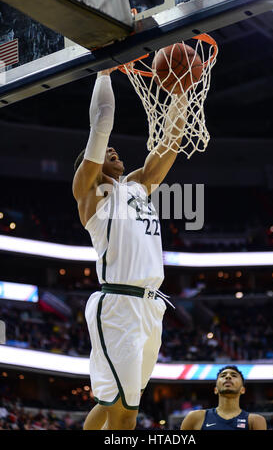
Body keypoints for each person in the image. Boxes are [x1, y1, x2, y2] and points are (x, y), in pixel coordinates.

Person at [72, 67, 187, 430]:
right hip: (119, 305)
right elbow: (102, 122)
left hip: (151, 306)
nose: (113, 149)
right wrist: (104, 74)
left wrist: (183, 91)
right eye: (105, 153)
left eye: (113, 150)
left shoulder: (137, 186)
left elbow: (169, 143)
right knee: (127, 413)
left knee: (113, 402)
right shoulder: (90, 194)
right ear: (89, 168)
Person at [180, 366, 267, 430]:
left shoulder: (255, 420)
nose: (228, 377)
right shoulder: (195, 417)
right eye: (223, 375)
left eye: (234, 375)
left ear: (242, 390)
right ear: (216, 390)